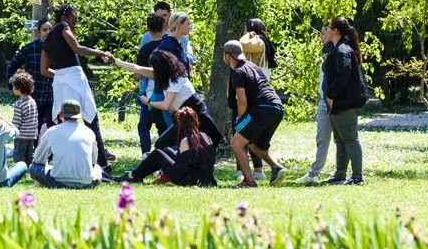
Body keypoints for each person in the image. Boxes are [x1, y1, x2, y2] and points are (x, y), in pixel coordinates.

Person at [39, 4, 114, 174]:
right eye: (74, 16)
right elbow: (77, 48)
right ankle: (102, 165)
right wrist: (101, 53)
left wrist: (60, 75)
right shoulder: (63, 27)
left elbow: (44, 70)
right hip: (75, 78)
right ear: (66, 16)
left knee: (60, 121)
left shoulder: (47, 40)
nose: (76, 20)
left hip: (59, 82)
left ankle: (57, 161)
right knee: (90, 118)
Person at [113, 50, 223, 147]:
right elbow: (136, 68)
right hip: (183, 116)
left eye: (155, 67)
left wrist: (148, 102)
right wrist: (115, 61)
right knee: (162, 143)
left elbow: (165, 105)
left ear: (161, 67)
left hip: (197, 115)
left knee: (207, 145)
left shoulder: (176, 78)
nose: (153, 70)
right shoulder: (164, 74)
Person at [222, 40, 287, 188]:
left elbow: (242, 101)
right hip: (276, 108)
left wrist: (240, 119)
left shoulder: (238, 72)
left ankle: (249, 181)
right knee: (254, 145)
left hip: (262, 109)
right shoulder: (252, 66)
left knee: (236, 143)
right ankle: (277, 168)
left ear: (227, 56)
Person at [322, 17, 366, 185]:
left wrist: (331, 95)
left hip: (344, 102)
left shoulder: (343, 50)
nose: (326, 30)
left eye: (329, 27)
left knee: (350, 139)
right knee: (340, 140)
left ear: (336, 31)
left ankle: (357, 176)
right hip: (337, 103)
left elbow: (344, 75)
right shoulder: (337, 49)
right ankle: (340, 174)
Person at [122, 107, 216, 186]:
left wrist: (167, 164)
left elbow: (181, 170)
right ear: (195, 121)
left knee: (157, 153)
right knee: (167, 150)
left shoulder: (186, 141)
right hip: (206, 177)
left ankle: (133, 175)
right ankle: (138, 175)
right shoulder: (206, 137)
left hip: (189, 180)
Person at [28, 100, 102, 189]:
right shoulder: (89, 132)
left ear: (60, 115)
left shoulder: (52, 131)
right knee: (98, 168)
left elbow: (38, 160)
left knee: (33, 167)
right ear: (79, 115)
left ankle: (42, 186)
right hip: (86, 183)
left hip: (58, 181)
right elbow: (93, 162)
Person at [5, 18, 54, 132]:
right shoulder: (29, 48)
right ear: (39, 32)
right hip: (34, 95)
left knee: (53, 128)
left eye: (50, 30)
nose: (48, 32)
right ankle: (34, 150)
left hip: (53, 95)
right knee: (34, 129)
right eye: (44, 30)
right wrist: (11, 86)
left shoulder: (58, 49)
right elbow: (12, 66)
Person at [299, 24, 334, 184]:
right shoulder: (329, 53)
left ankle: (343, 174)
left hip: (331, 101)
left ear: (333, 32)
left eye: (323, 32)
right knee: (322, 138)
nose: (320, 36)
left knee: (343, 139)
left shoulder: (339, 52)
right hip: (323, 101)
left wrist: (330, 100)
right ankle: (314, 173)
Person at [135, 14, 169, 154]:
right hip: (170, 91)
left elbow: (138, 73)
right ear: (163, 27)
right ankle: (165, 155)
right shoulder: (169, 46)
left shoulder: (145, 49)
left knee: (144, 125)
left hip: (151, 92)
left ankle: (146, 155)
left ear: (148, 29)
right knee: (164, 127)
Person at [8, 71, 39, 166]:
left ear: (19, 88)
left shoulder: (19, 103)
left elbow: (17, 122)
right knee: (29, 155)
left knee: (18, 156)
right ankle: (29, 168)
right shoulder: (32, 101)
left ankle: (19, 170)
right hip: (32, 134)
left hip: (21, 136)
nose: (12, 88)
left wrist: (11, 131)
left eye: (13, 86)